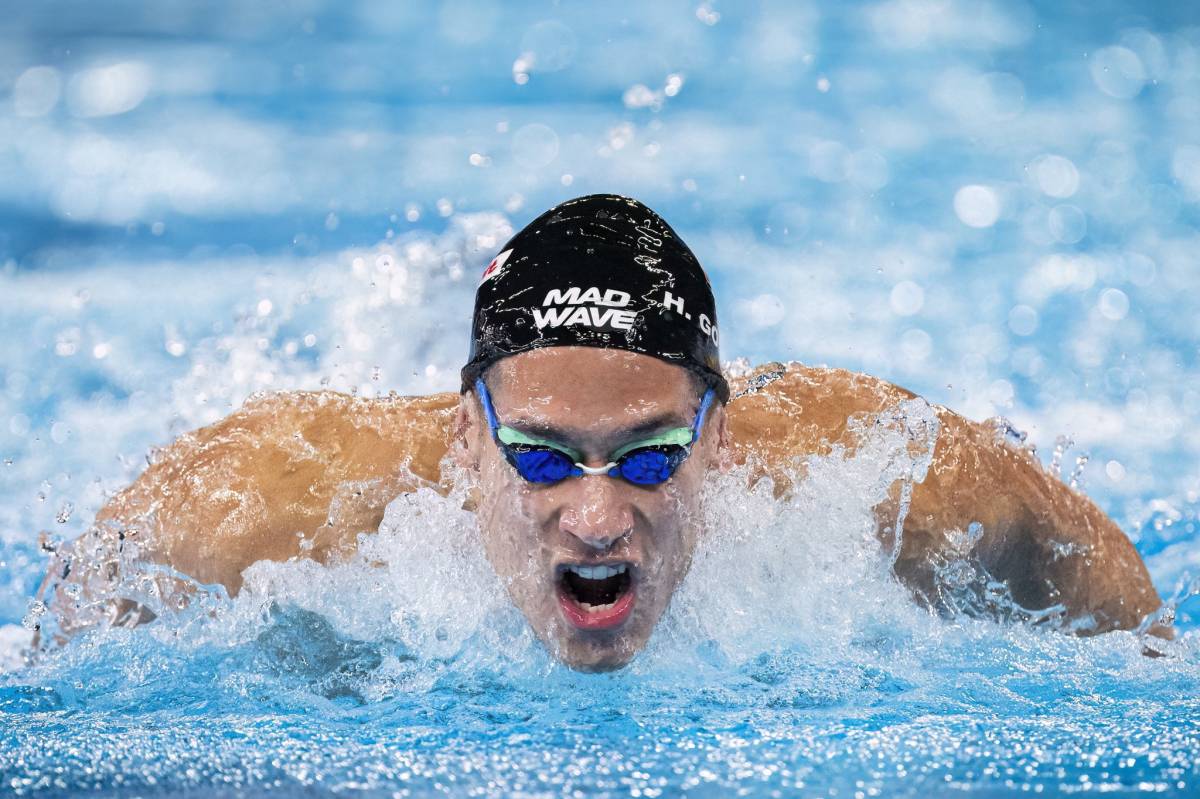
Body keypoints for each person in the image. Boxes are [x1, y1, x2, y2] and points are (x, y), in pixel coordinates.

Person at [35, 194, 1167, 671]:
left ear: (720, 436)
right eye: (537, 454)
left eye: (650, 456)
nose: (595, 517)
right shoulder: (267, 505)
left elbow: (1119, 607)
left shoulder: (887, 476)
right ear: (463, 433)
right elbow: (75, 626)